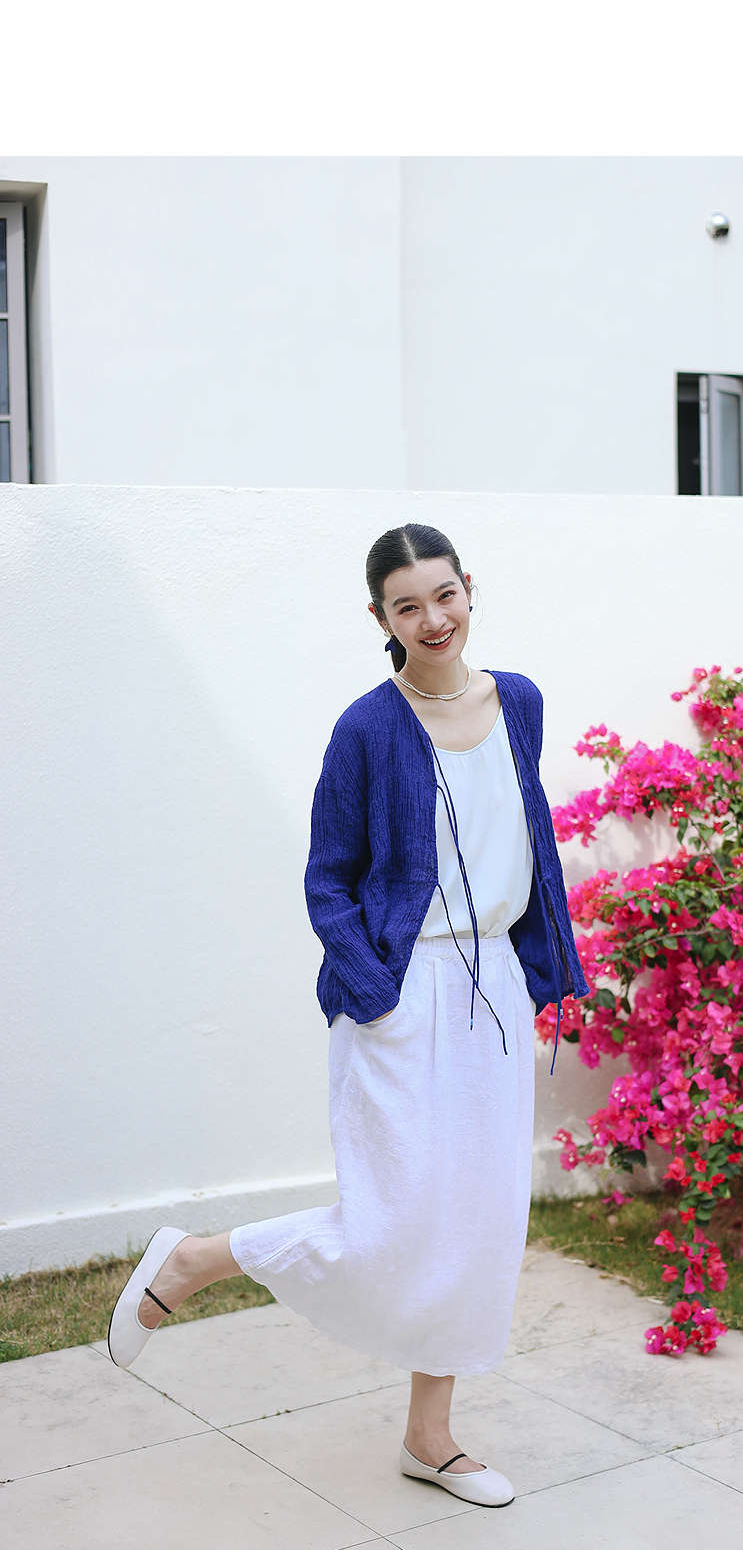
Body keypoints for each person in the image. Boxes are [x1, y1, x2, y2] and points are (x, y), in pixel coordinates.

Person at [107, 522, 589, 1509]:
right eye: (408, 605)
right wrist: (377, 992)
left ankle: (430, 1436)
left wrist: (540, 970)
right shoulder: (367, 727)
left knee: (478, 1218)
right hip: (401, 990)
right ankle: (197, 1259)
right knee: (391, 1220)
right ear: (381, 617)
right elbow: (328, 878)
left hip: (495, 986)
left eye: (445, 594)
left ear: (469, 588)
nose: (434, 618)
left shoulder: (521, 702)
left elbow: (526, 836)